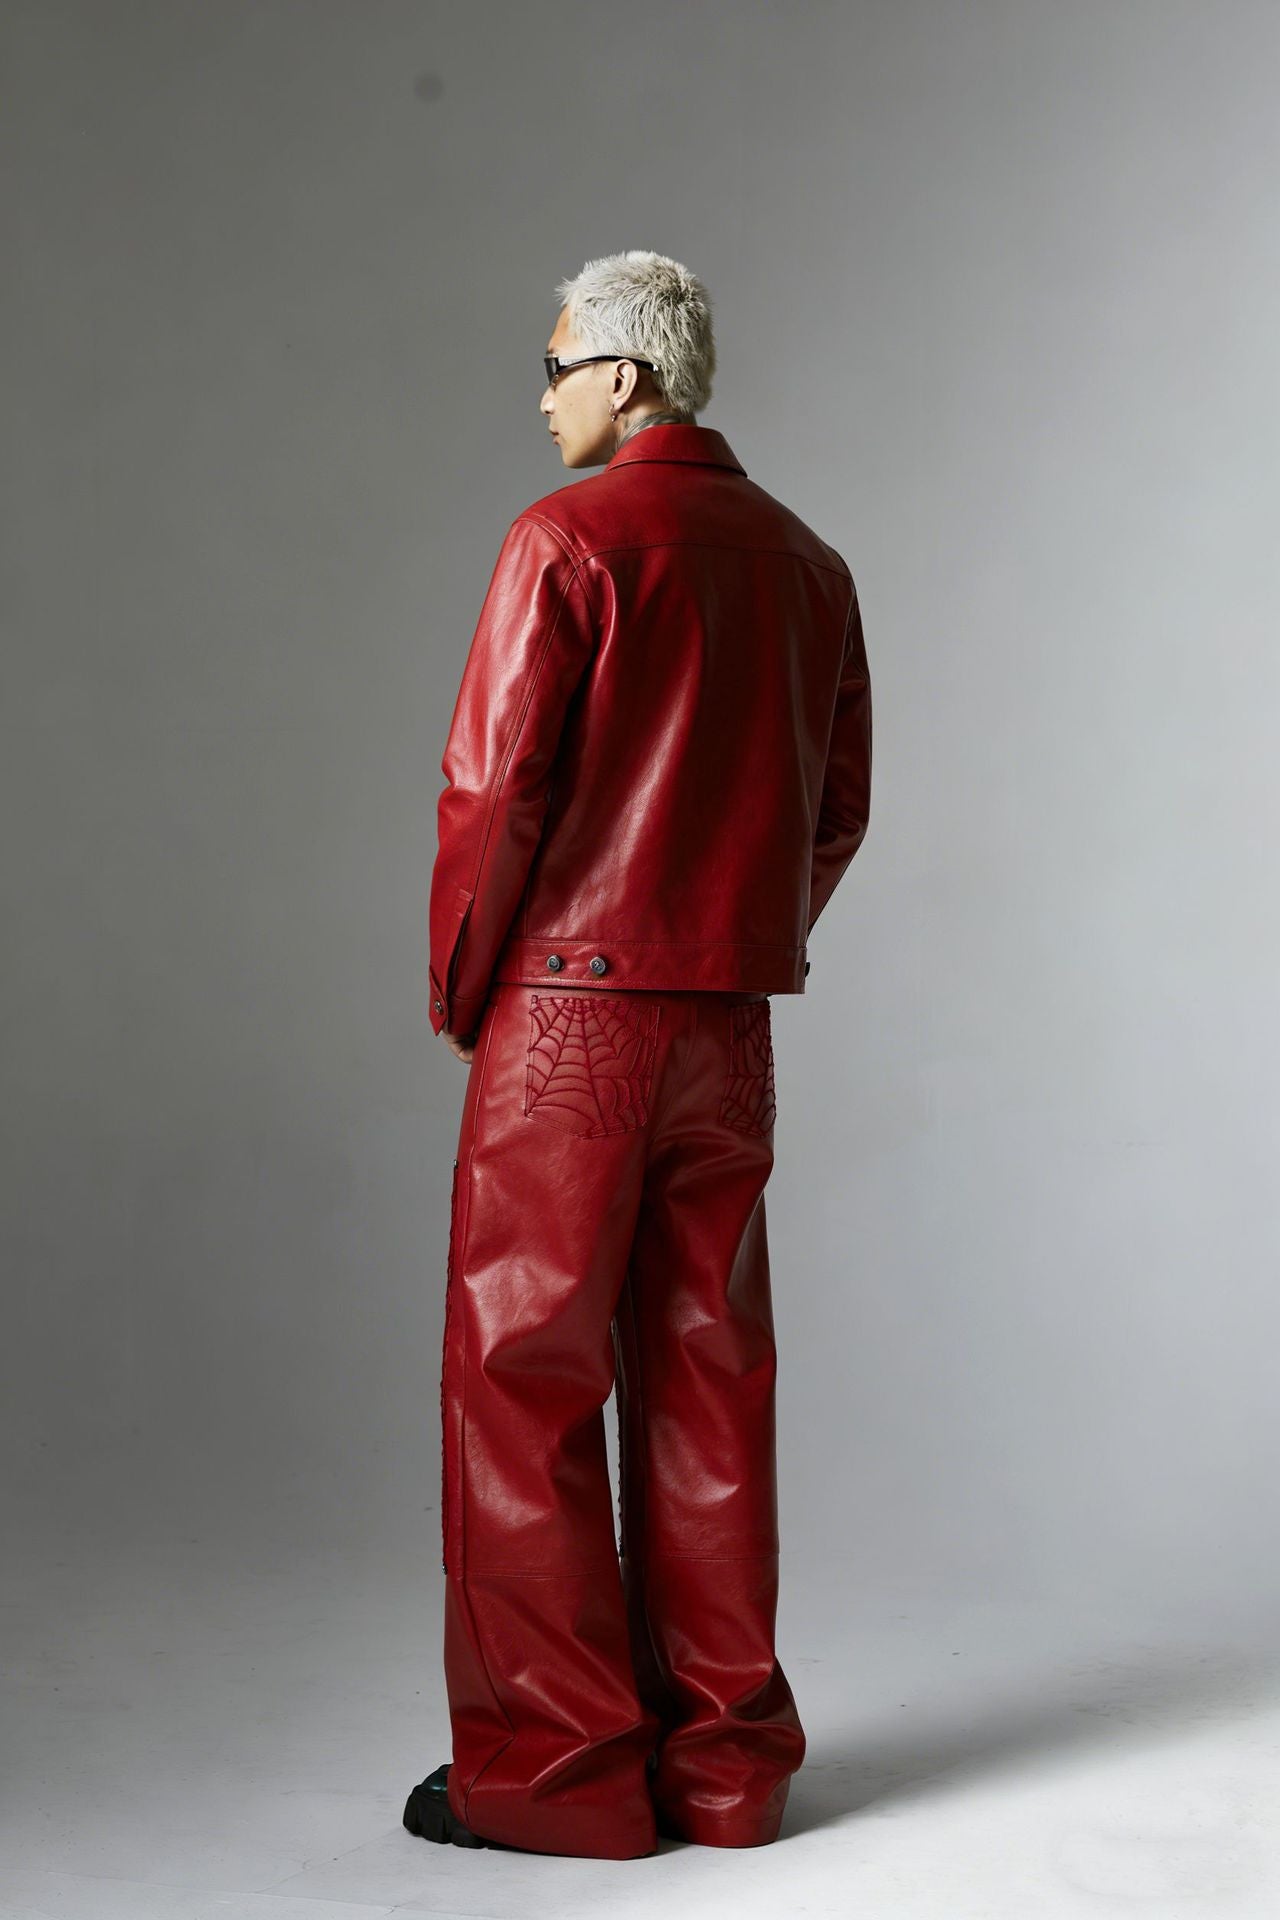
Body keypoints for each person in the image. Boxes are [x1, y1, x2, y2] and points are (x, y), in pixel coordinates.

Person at [403, 250, 872, 1860]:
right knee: (710, 1375)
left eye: (554, 370)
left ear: (622, 374)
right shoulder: (809, 565)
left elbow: (494, 793)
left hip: (569, 1010)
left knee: (521, 1377)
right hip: (725, 1025)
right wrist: (735, 938)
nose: (542, 402)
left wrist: (469, 988)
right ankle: (728, 1774)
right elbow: (834, 809)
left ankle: (559, 1774)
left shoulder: (565, 541)